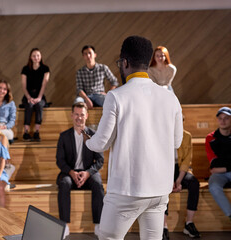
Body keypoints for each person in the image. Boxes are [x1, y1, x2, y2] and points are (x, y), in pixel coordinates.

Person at [84, 36, 183, 239]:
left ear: (125, 63)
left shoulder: (117, 96)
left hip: (126, 191)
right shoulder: (171, 98)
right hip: (159, 191)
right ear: (147, 63)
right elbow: (176, 142)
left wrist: (86, 137)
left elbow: (101, 143)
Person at [56, 102, 104, 238]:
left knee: (98, 184)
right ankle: (64, 224)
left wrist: (88, 173)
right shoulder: (64, 136)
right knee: (64, 184)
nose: (79, 117)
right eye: (76, 114)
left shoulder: (94, 135)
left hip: (88, 172)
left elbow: (100, 160)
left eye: (82, 115)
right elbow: (60, 160)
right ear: (72, 116)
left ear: (86, 116)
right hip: (69, 172)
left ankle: (98, 225)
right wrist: (72, 172)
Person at [163, 129, 200, 239]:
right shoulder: (162, 133)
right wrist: (168, 180)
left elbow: (186, 161)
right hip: (164, 170)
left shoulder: (187, 135)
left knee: (194, 183)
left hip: (181, 170)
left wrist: (178, 181)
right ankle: (163, 226)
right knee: (162, 187)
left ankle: (189, 223)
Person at [206, 106, 231, 221]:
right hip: (219, 174)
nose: (223, 121)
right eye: (220, 118)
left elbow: (219, 166)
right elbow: (214, 162)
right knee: (214, 187)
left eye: (226, 118)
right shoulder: (210, 138)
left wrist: (224, 168)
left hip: (222, 171)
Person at [21, 48, 50, 142]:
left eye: (38, 55)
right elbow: (24, 86)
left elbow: (44, 85)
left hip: (39, 95)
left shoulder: (45, 69)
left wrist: (39, 97)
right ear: (30, 57)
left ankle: (37, 132)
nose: (36, 57)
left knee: (39, 105)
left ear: (41, 57)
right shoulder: (25, 69)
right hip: (28, 95)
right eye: (34, 55)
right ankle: (26, 132)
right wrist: (29, 97)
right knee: (29, 105)